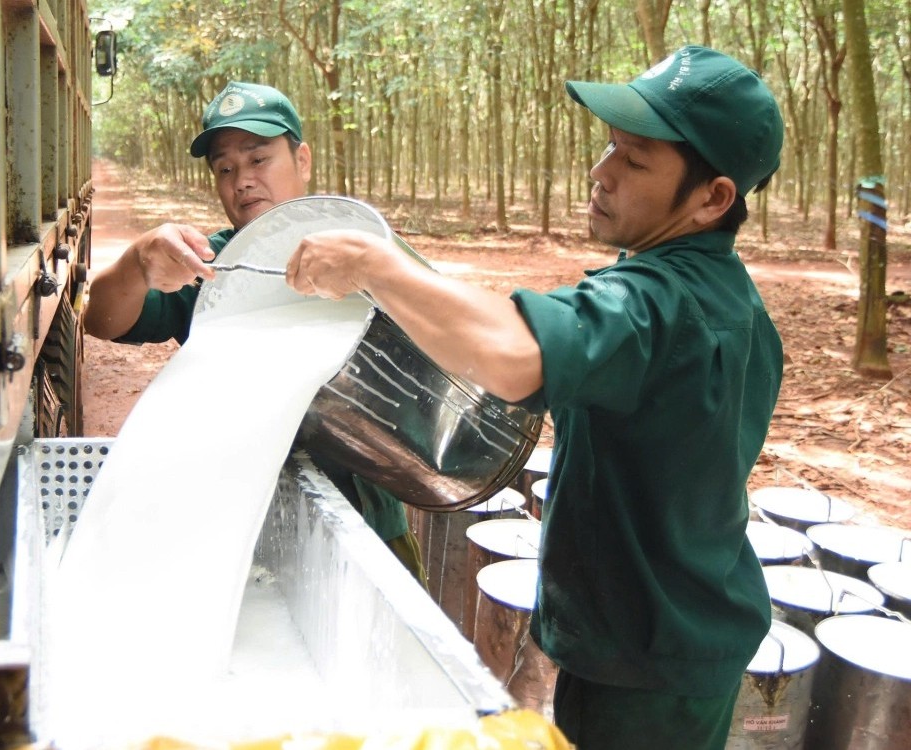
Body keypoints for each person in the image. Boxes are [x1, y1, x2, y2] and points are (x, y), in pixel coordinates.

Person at [285, 46, 784, 749]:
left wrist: (376, 265)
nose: (601, 172)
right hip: (672, 627)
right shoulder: (729, 300)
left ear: (713, 198)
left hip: (644, 664)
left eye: (635, 161)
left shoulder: (657, 305)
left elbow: (515, 357)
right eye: (609, 146)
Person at [84, 81, 426, 584]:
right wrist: (138, 262)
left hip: (364, 521)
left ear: (302, 160)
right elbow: (102, 319)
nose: (242, 181)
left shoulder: (366, 254)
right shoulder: (214, 269)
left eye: (259, 159)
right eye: (225, 169)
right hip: (241, 522)